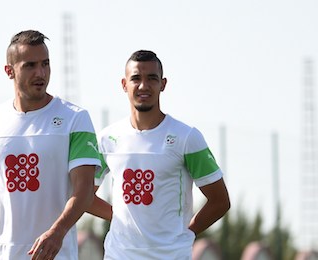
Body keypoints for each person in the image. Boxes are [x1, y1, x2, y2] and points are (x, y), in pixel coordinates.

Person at [0, 30, 102, 260]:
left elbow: (84, 191)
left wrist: (57, 233)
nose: (41, 73)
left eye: (45, 64)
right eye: (30, 65)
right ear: (9, 71)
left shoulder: (75, 119)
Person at [92, 50, 231, 259]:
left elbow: (220, 201)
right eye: (136, 79)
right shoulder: (107, 138)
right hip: (118, 254)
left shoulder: (187, 137)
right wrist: (119, 217)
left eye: (152, 79)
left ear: (163, 84)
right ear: (124, 84)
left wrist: (186, 233)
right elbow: (82, 195)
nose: (143, 86)